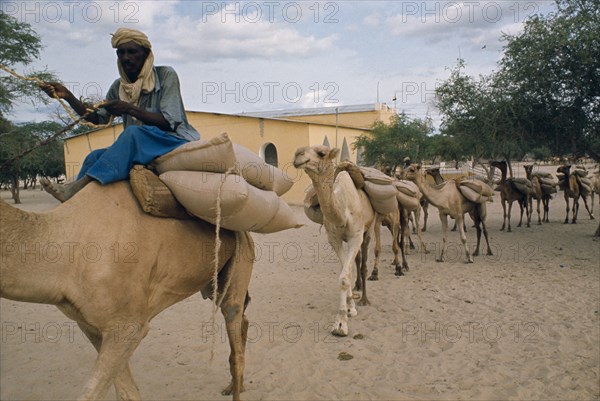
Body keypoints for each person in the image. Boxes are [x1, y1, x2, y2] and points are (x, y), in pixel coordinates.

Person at [40, 28, 199, 202]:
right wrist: (68, 96)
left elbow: (170, 122)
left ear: (146, 54)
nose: (126, 58)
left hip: (172, 140)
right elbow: (96, 117)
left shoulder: (166, 75)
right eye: (121, 53)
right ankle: (76, 202)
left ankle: (76, 188)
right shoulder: (119, 86)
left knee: (132, 133)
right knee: (94, 156)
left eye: (132, 52)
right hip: (139, 145)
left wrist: (129, 109)